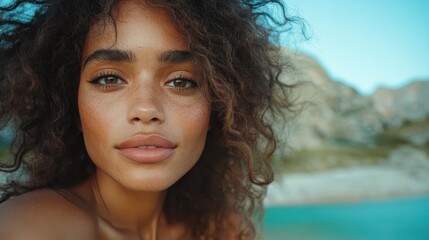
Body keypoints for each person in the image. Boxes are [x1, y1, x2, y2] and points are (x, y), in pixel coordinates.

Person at [0, 0, 294, 239]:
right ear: (72, 106)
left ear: (218, 106)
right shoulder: (30, 228)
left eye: (181, 82)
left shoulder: (224, 229)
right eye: (109, 78)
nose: (146, 108)